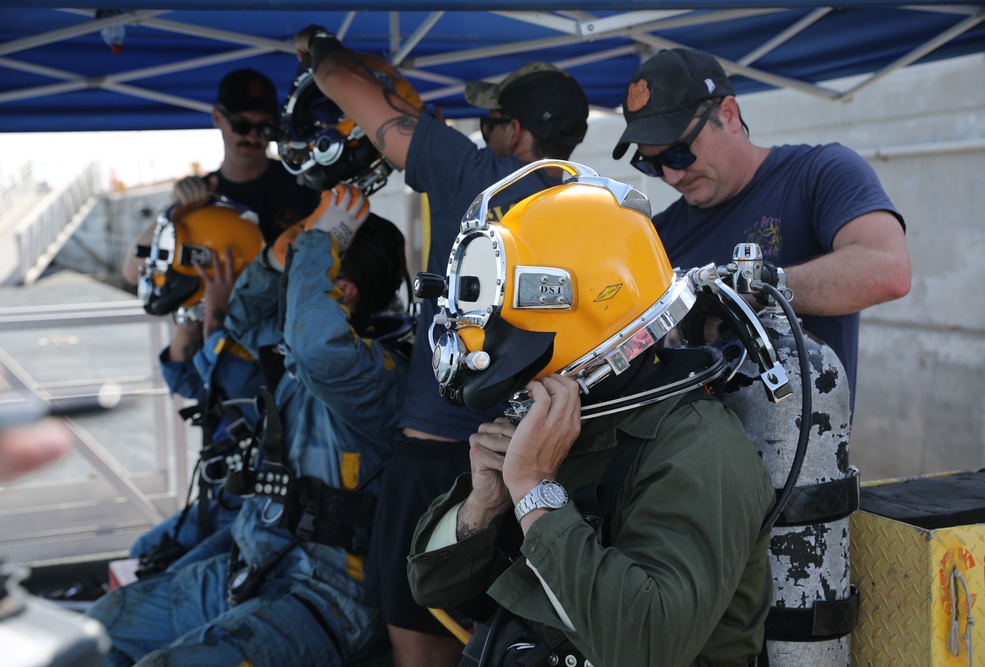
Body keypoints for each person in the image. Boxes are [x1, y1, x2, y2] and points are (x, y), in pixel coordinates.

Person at [295, 26, 590, 667]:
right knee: (516, 646)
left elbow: (344, 89)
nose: (484, 133)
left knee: (421, 648)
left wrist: (320, 49)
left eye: (491, 123)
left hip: (437, 464)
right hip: (546, 468)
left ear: (514, 132)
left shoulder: (472, 172)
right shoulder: (592, 204)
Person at [406, 168, 775, 667]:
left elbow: (646, 646)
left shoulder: (700, 449)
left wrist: (535, 491)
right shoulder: (565, 417)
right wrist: (484, 504)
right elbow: (431, 583)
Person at [86, 185, 410, 666]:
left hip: (326, 598)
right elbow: (242, 318)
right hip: (259, 561)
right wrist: (283, 256)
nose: (294, 289)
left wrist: (318, 243)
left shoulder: (380, 373)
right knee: (102, 627)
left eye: (308, 275)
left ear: (341, 293)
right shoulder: (309, 342)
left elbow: (318, 347)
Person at [612, 48, 911, 405]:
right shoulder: (655, 237)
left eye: (679, 153)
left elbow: (888, 270)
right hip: (688, 452)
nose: (672, 175)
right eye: (653, 164)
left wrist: (741, 293)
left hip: (797, 447)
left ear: (729, 114)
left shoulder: (819, 173)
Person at [130, 201, 268, 574]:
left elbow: (231, 377)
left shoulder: (264, 332)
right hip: (224, 493)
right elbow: (186, 380)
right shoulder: (220, 326)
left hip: (258, 506)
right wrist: (193, 309)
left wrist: (213, 313)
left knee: (165, 579)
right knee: (141, 550)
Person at [121, 67, 319, 284]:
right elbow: (133, 271)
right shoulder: (200, 197)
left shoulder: (304, 182)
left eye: (264, 128)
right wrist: (173, 212)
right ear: (217, 117)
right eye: (241, 125)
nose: (252, 136)